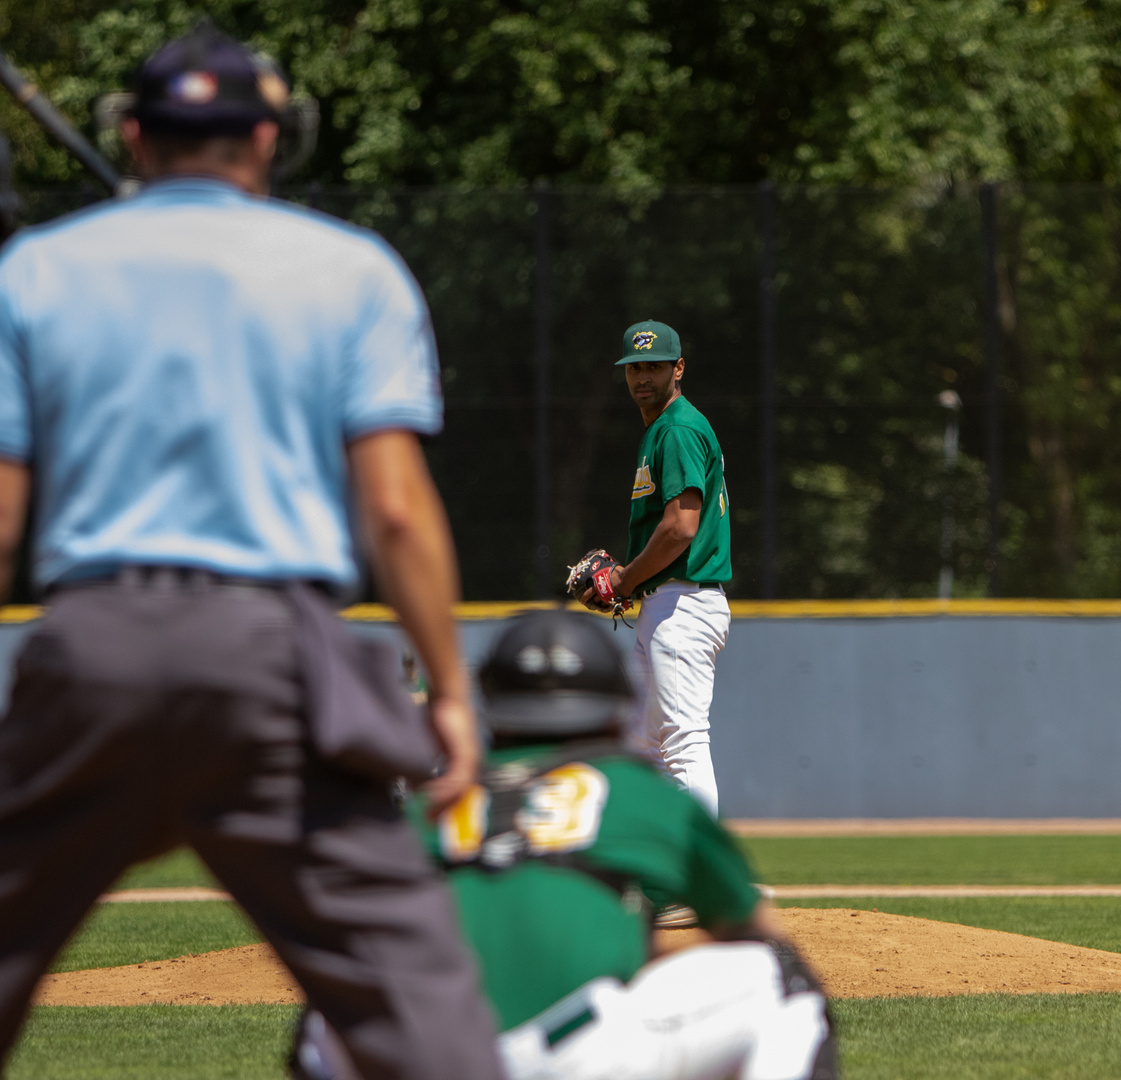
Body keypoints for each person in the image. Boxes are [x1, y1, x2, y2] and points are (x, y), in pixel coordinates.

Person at [0, 24, 503, 1079]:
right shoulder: (350, 269)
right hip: (279, 660)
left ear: (135, 135)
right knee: (422, 1015)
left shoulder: (35, 270)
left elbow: (2, 516)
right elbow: (398, 512)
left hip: (91, 649)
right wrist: (448, 686)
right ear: (271, 139)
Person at [293, 609, 837, 1080]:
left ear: (490, 705)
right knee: (780, 975)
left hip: (427, 1054)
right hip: (577, 1057)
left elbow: (346, 929)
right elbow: (750, 926)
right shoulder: (638, 792)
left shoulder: (426, 807)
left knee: (323, 1013)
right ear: (615, 706)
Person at [582, 320, 732, 825]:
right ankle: (662, 872)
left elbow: (681, 526)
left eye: (655, 366)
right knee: (648, 745)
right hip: (669, 603)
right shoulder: (663, 430)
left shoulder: (678, 428)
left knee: (683, 740)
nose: (643, 377)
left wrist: (622, 580)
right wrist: (631, 582)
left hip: (685, 603)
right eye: (635, 368)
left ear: (678, 368)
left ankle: (701, 881)